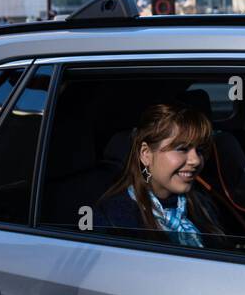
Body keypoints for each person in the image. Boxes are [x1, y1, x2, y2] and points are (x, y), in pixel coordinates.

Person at [93, 103, 224, 247]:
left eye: (199, 150)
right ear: (146, 154)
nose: (196, 160)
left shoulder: (201, 202)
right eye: (182, 149)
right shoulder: (114, 219)